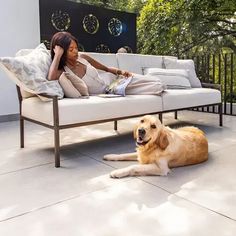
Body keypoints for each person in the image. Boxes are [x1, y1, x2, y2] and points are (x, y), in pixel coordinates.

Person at [48, 31, 166, 96]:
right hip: (111, 90)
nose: (76, 51)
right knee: (155, 86)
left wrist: (122, 72)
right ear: (62, 51)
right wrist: (57, 55)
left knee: (152, 81)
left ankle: (162, 84)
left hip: (114, 80)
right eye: (70, 49)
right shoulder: (64, 71)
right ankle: (162, 86)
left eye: (76, 47)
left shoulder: (83, 57)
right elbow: (51, 77)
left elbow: (106, 69)